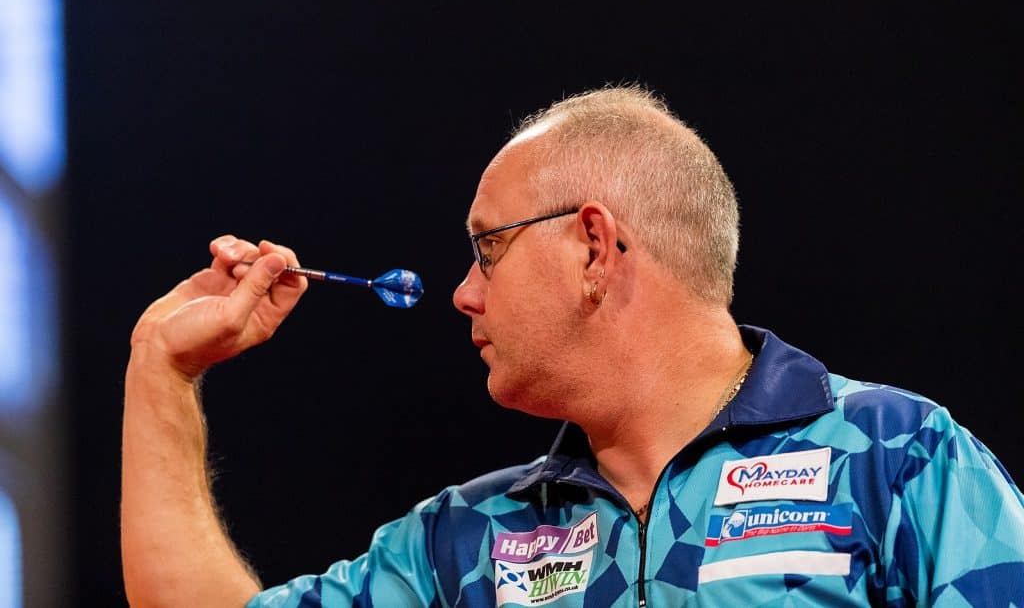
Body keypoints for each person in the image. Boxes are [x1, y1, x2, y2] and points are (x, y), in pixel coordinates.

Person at [121, 86, 1024, 607]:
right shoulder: (462, 543)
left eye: (488, 247)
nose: (464, 291)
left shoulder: (897, 458)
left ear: (594, 246)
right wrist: (162, 368)